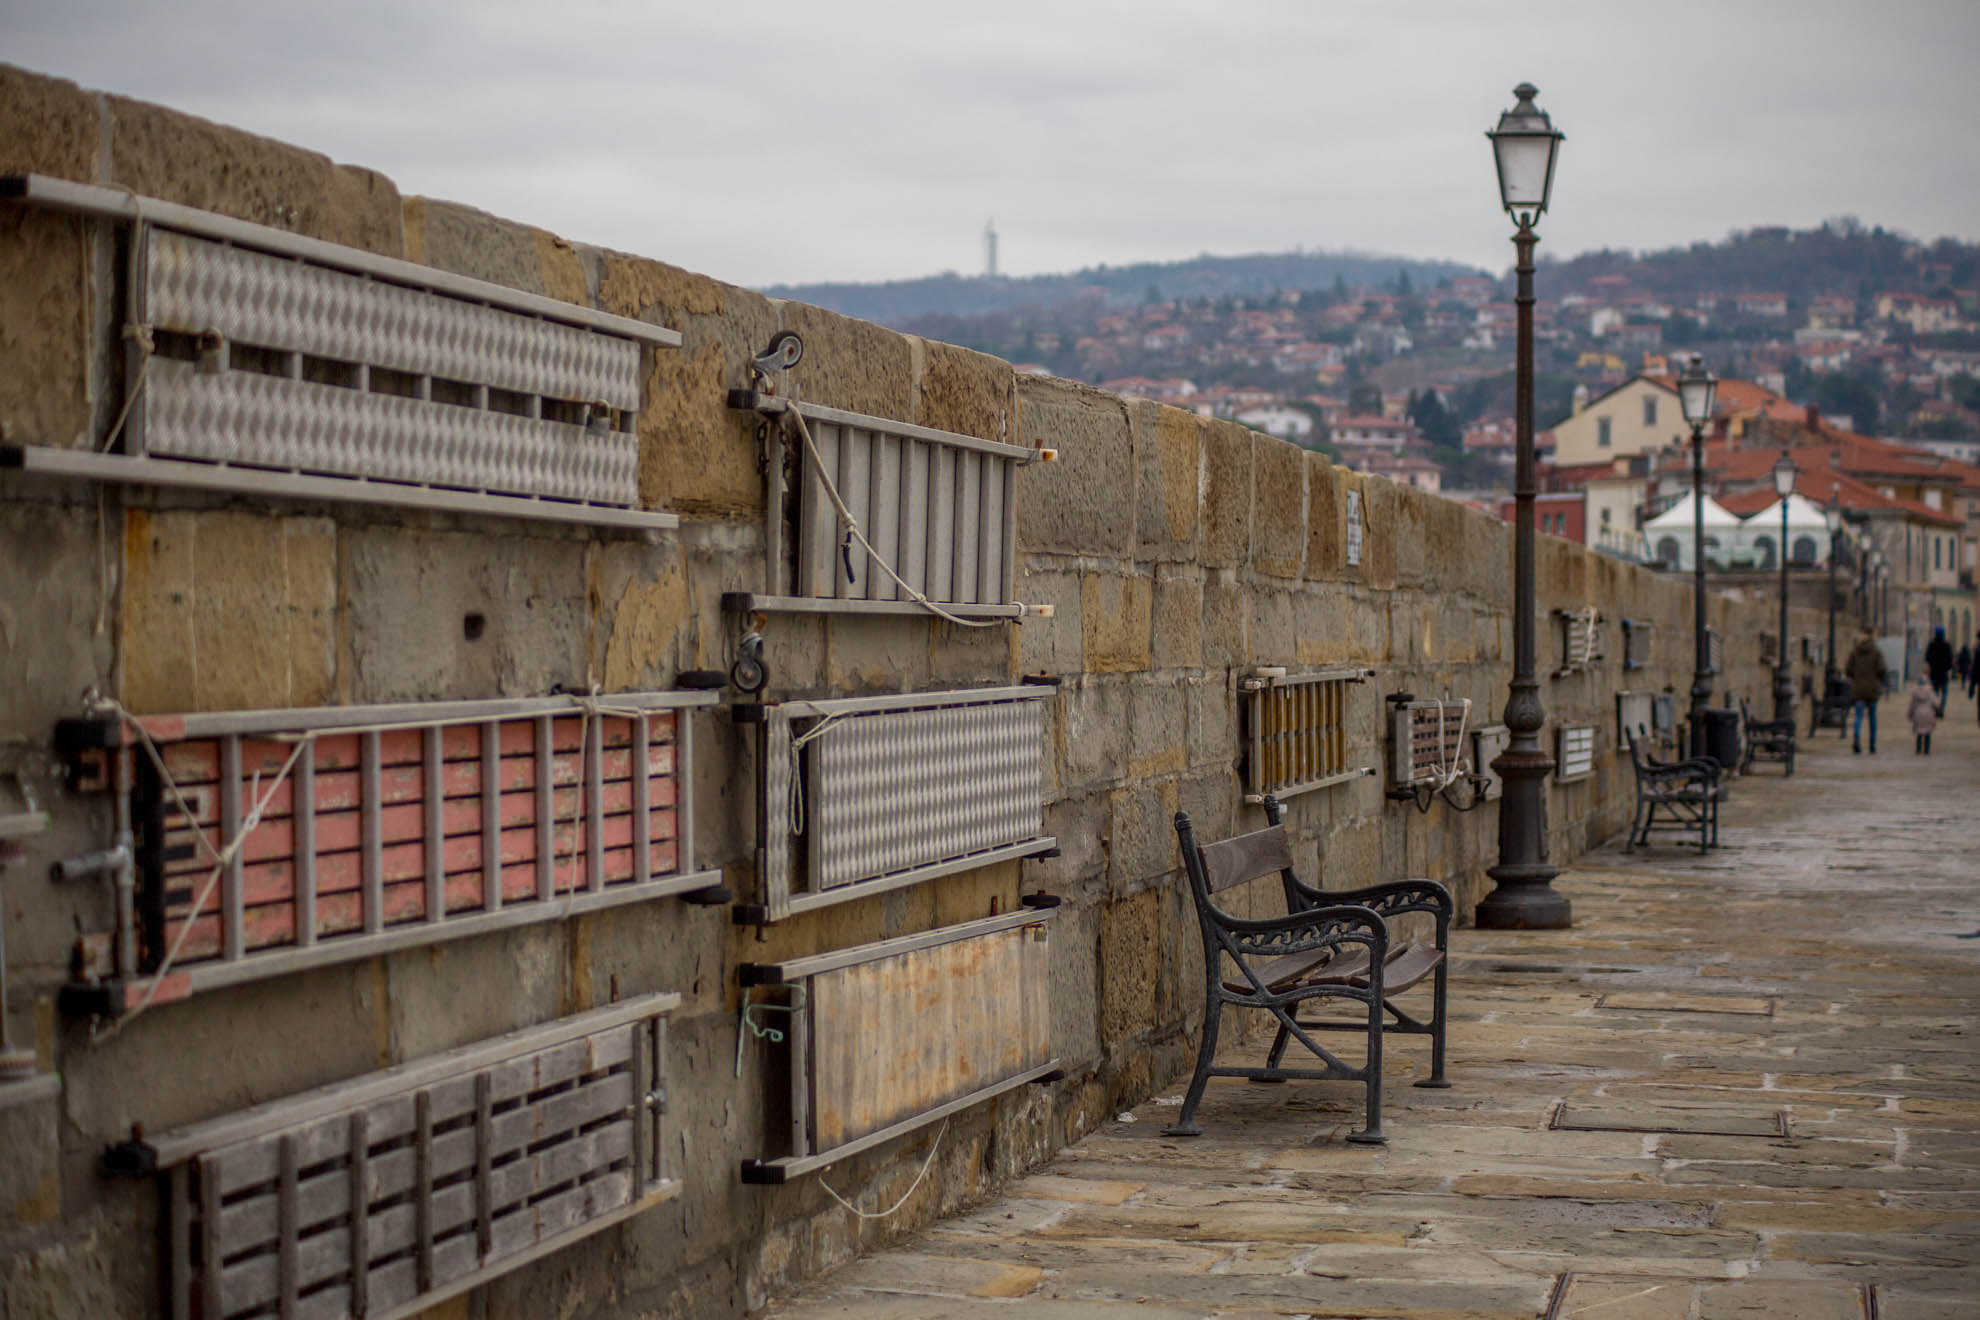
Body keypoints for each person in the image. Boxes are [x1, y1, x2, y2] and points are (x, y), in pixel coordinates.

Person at [1845, 627, 1890, 754]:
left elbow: (1848, 670)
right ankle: (1872, 744)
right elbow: (1881, 670)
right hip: (1872, 689)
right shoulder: (1876, 652)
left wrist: (1856, 676)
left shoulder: (1855, 651)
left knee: (1858, 716)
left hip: (1858, 688)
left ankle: (1857, 739)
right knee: (1872, 718)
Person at [1924, 626, 1953, 712]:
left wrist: (1932, 665)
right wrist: (1947, 668)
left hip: (1934, 672)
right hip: (1944, 673)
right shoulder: (1947, 645)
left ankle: (1936, 708)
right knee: (1944, 693)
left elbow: (1927, 658)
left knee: (1935, 692)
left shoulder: (1931, 645)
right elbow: (1950, 659)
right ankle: (1941, 708)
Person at [1908, 674, 1939, 754]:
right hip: (1929, 713)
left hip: (1917, 713)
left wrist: (1910, 715)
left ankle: (1918, 749)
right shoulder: (1930, 691)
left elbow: (1912, 705)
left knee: (1919, 733)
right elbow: (1935, 703)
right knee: (1927, 733)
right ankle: (1927, 750)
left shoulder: (1915, 692)